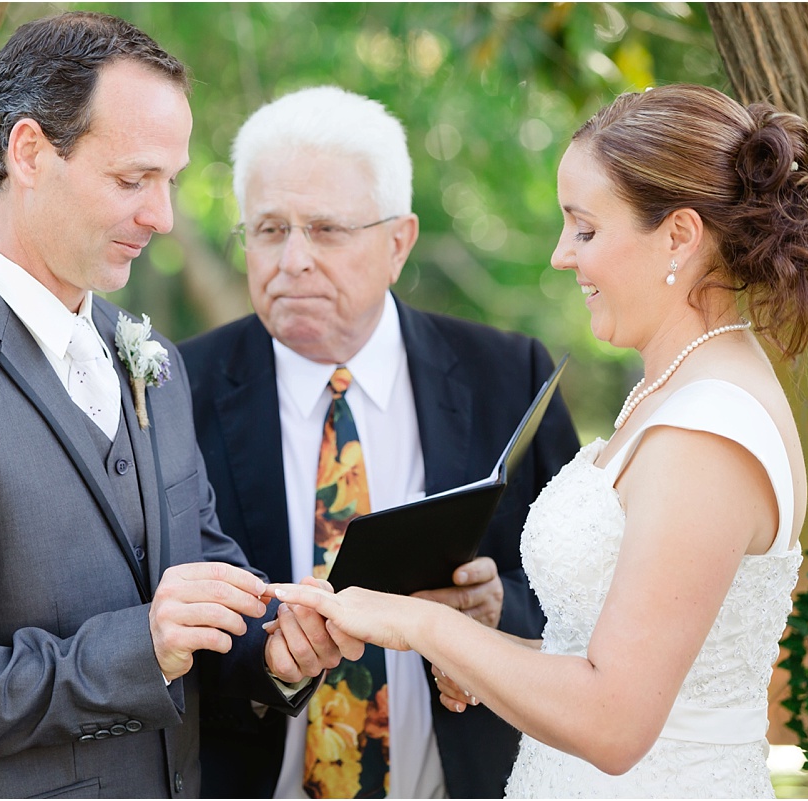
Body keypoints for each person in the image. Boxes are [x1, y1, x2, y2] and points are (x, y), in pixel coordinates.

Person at [0, 13, 351, 799]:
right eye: (133, 180)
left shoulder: (151, 360)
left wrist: (270, 641)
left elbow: (198, 561)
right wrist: (141, 649)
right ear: (29, 152)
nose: (161, 216)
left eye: (169, 180)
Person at [271, 83, 808, 798]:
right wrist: (490, 656)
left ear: (678, 235)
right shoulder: (677, 387)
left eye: (584, 229)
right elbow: (617, 659)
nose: (560, 255)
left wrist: (417, 622)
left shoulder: (709, 429)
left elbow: (615, 721)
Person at [180, 86, 580, 799]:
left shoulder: (508, 373)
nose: (293, 259)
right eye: (269, 229)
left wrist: (496, 614)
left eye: (326, 230)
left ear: (399, 242)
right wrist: (273, 656)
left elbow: (584, 602)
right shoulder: (178, 388)